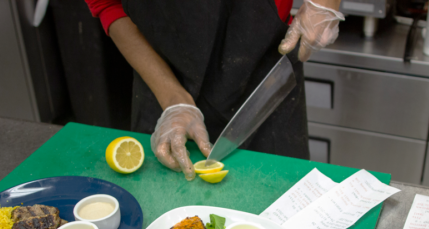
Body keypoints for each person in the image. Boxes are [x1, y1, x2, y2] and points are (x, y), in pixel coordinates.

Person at [85, 0, 344, 180]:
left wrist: (325, 3)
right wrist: (174, 100)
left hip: (265, 79)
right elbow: (108, 4)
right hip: (161, 78)